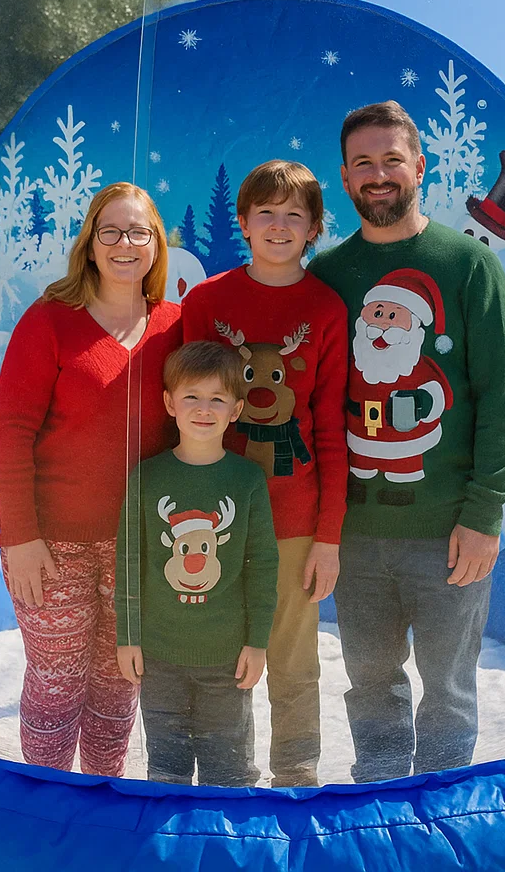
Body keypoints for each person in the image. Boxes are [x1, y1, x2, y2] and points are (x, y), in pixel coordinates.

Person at [307, 101, 505, 781]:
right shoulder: (326, 278)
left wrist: (484, 515)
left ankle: (441, 818)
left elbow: (501, 396)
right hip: (357, 536)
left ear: (419, 167)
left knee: (450, 692)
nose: (379, 175)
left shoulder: (467, 265)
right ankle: (378, 809)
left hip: (449, 538)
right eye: (364, 163)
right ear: (344, 178)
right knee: (369, 684)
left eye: (392, 160)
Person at [0, 182, 182, 776]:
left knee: (117, 685)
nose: (125, 243)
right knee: (55, 685)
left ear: (156, 246)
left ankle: (101, 814)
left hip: (140, 548)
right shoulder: (50, 321)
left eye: (139, 232)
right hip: (53, 544)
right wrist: (20, 538)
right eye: (111, 231)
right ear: (91, 245)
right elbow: (11, 433)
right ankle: (46, 816)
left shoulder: (178, 326)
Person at [180, 159, 348, 787]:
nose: (279, 226)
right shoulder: (206, 303)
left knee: (293, 653)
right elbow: (186, 413)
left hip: (295, 518)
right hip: (216, 517)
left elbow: (330, 428)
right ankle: (227, 772)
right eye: (266, 213)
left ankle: (297, 771)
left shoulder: (326, 309)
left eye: (294, 216)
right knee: (223, 651)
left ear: (312, 230)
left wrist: (328, 536)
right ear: (244, 222)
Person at [115, 340, 279, 786]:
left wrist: (257, 642)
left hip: (226, 659)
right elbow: (129, 559)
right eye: (191, 396)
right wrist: (127, 638)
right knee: (165, 769)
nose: (203, 409)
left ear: (236, 409)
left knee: (228, 771)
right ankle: (169, 854)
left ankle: (227, 852)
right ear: (169, 403)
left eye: (217, 399)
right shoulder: (147, 477)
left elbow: (262, 564)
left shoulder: (246, 480)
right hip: (158, 655)